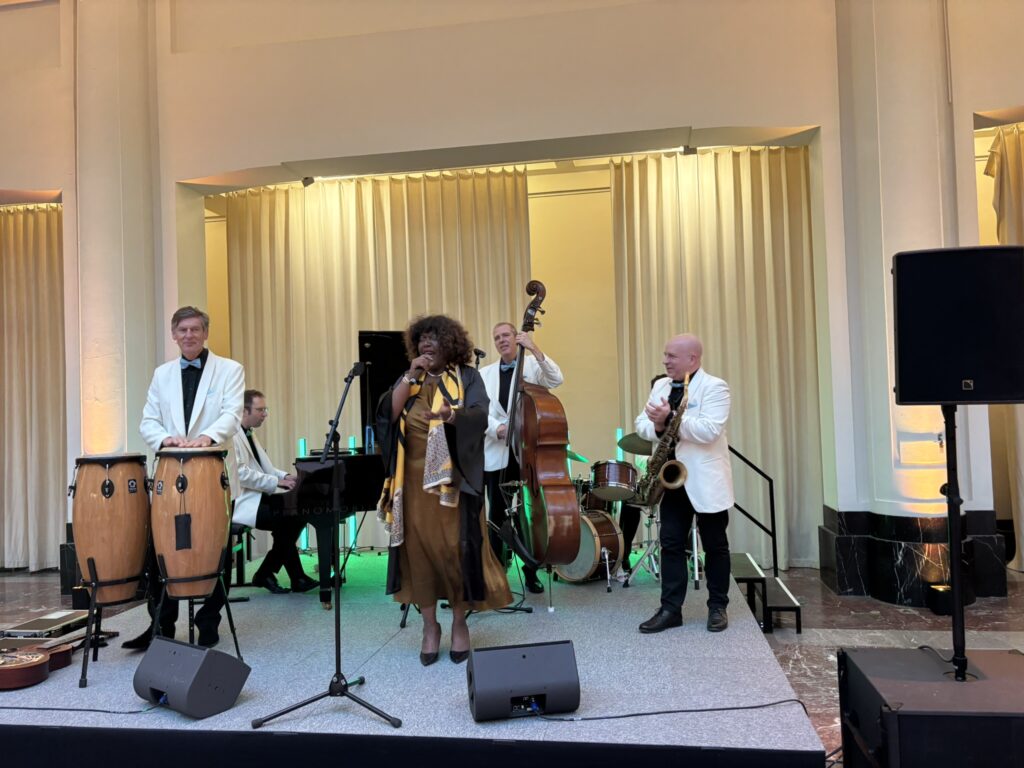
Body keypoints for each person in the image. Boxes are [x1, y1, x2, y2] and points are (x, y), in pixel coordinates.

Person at [376, 315, 512, 666]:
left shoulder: (467, 377)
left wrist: (453, 416)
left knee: (456, 552)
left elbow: (480, 415)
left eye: (434, 338)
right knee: (419, 553)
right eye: (422, 339)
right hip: (413, 486)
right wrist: (409, 375)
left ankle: (459, 622)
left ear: (450, 344)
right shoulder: (412, 378)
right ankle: (430, 626)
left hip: (455, 483)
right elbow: (387, 414)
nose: (426, 344)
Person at [124, 306, 244, 650]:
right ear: (174, 335)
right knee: (161, 550)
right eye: (183, 330)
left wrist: (207, 437)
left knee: (216, 548)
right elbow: (148, 420)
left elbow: (232, 413)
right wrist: (166, 439)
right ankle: (160, 624)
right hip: (171, 473)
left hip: (211, 472)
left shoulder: (230, 369)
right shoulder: (161, 374)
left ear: (205, 333)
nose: (189, 335)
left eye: (195, 329)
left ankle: (208, 621)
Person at [634, 333, 734, 633]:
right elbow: (641, 425)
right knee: (671, 544)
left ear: (692, 359)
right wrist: (658, 424)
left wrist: (670, 418)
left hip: (705, 480)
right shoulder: (660, 386)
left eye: (671, 356)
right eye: (665, 355)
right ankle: (670, 609)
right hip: (672, 481)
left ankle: (718, 607)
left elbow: (709, 431)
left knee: (715, 546)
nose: (665, 361)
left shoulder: (715, 387)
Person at [479, 321, 564, 594]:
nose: (501, 340)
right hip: (497, 452)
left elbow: (556, 379)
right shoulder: (484, 374)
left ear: (516, 337)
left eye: (506, 335)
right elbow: (479, 410)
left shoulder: (532, 366)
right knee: (496, 515)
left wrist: (535, 349)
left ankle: (531, 570)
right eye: (497, 337)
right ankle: (495, 575)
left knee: (529, 515)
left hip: (527, 453)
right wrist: (497, 429)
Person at [231, 389, 317, 594]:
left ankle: (282, 576)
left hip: (258, 497)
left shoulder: (249, 433)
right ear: (244, 411)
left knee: (295, 517)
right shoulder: (231, 436)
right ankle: (273, 575)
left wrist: (286, 476)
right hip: (242, 503)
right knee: (289, 520)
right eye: (260, 410)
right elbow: (240, 474)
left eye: (265, 409)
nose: (265, 414)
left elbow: (264, 467)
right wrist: (277, 482)